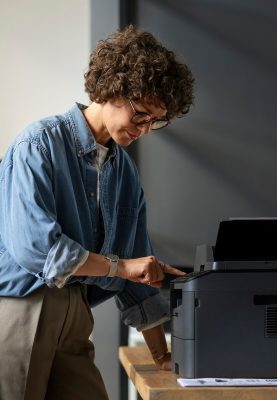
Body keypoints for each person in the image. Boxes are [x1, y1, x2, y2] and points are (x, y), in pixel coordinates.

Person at [0, 25, 194, 400]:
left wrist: (162, 354)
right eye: (140, 116)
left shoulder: (124, 171)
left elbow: (140, 271)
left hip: (75, 313)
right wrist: (119, 267)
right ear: (112, 90)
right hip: (22, 308)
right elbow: (36, 249)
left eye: (155, 121)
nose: (146, 129)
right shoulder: (38, 145)